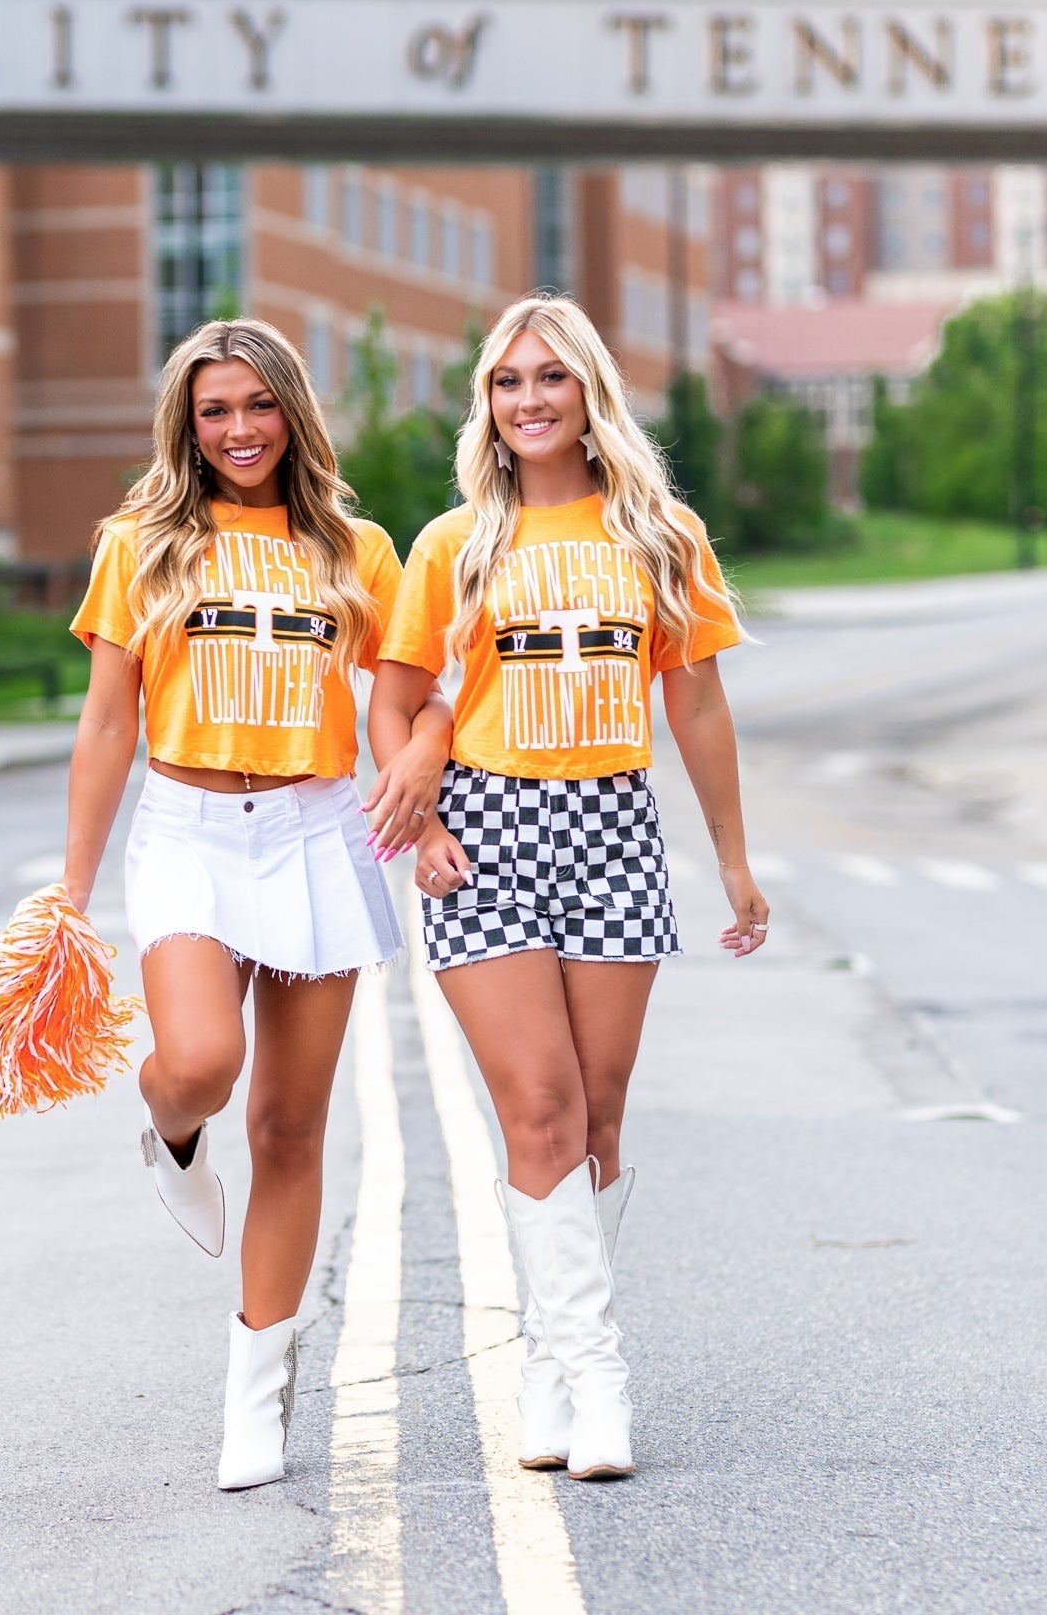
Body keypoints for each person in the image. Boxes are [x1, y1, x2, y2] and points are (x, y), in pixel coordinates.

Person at [368, 294, 769, 1482]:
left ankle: (547, 1359)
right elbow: (394, 698)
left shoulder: (659, 532)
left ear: (590, 392)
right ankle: (599, 1376)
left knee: (596, 1114)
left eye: (551, 376)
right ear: (486, 403)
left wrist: (733, 860)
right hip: (486, 831)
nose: (530, 398)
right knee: (537, 1103)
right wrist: (424, 822)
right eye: (508, 380)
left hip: (614, 827)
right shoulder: (454, 544)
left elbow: (698, 702)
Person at [64, 318, 450, 1493]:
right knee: (199, 1061)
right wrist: (70, 893)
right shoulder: (142, 541)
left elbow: (426, 690)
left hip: (317, 828)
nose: (239, 428)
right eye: (215, 409)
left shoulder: (355, 548)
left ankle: (257, 1390)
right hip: (186, 828)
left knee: (289, 1127)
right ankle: (172, 1130)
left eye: (259, 403)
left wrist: (426, 749)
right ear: (187, 423)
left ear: (293, 409)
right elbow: (109, 721)